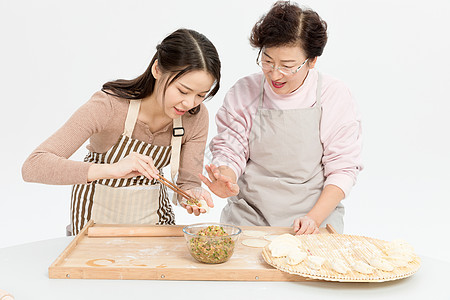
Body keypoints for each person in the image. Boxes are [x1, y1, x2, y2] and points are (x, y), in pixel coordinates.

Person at [22, 28, 221, 235]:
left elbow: (187, 183)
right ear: (157, 70)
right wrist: (112, 169)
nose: (189, 103)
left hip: (155, 225)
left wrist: (193, 194)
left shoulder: (195, 117)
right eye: (182, 91)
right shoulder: (109, 106)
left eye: (201, 95)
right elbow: (33, 165)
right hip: (95, 226)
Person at [200, 1, 362, 234]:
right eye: (267, 61)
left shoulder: (332, 95)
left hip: (315, 217)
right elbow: (231, 148)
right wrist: (225, 177)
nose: (275, 74)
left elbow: (343, 168)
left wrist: (312, 219)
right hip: (249, 217)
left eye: (287, 66)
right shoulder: (245, 90)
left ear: (312, 61)